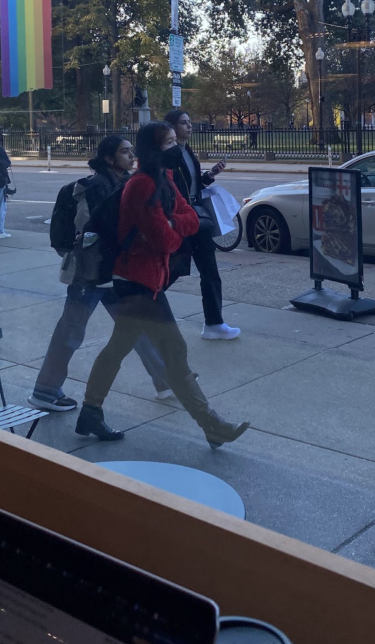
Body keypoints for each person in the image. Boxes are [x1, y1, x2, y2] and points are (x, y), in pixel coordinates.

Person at [76, 122, 249, 447]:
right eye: (168, 143)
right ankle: (212, 425)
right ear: (153, 150)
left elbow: (191, 216)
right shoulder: (141, 186)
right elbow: (166, 239)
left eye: (175, 141)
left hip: (148, 281)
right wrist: (178, 224)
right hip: (135, 282)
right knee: (174, 350)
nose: (176, 147)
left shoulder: (165, 179)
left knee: (119, 346)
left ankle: (90, 411)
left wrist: (177, 221)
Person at [29, 135, 171, 412]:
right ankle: (44, 391)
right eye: (125, 152)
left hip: (111, 272)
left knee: (135, 326)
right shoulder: (96, 187)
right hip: (92, 274)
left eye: (132, 151)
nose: (131, 156)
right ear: (109, 158)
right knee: (71, 331)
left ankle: (165, 379)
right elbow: (90, 232)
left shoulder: (123, 183)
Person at [162, 108, 240, 340]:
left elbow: (193, 185)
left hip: (196, 217)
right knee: (173, 269)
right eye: (184, 123)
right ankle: (143, 304)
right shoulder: (170, 154)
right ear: (172, 127)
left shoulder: (187, 151)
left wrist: (210, 175)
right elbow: (171, 189)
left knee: (210, 272)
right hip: (182, 219)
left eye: (189, 122)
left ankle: (214, 324)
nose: (190, 126)